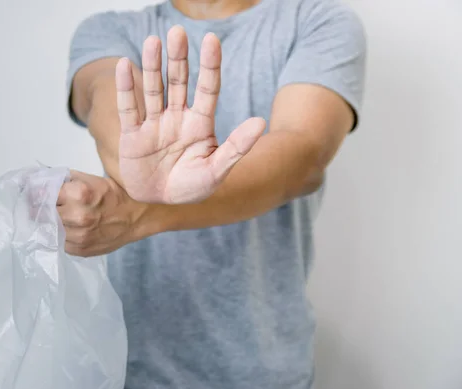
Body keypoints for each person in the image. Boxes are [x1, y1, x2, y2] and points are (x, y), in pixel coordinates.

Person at [58, 0, 367, 387]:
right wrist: (133, 161)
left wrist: (143, 212)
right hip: (136, 369)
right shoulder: (109, 30)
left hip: (266, 371)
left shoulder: (317, 21)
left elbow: (302, 156)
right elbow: (104, 90)